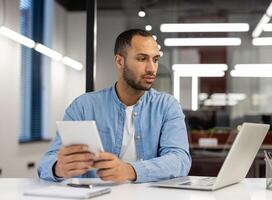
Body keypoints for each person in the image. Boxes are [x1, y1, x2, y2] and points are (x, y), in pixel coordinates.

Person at [38, 29, 191, 183]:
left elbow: (180, 160)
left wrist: (129, 170)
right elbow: (46, 163)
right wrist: (58, 168)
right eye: (142, 58)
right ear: (119, 61)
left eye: (155, 59)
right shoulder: (83, 106)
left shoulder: (167, 106)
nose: (152, 68)